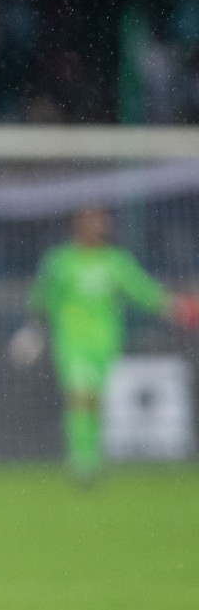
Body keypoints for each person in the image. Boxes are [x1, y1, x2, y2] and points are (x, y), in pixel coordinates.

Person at [12, 206, 199, 482]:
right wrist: (33, 330)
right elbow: (43, 298)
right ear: (79, 225)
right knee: (79, 394)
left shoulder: (115, 262)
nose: (99, 227)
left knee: (91, 400)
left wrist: (179, 308)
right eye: (93, 222)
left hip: (105, 342)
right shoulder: (61, 261)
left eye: (102, 222)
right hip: (71, 340)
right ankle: (82, 464)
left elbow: (144, 293)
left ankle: (90, 459)